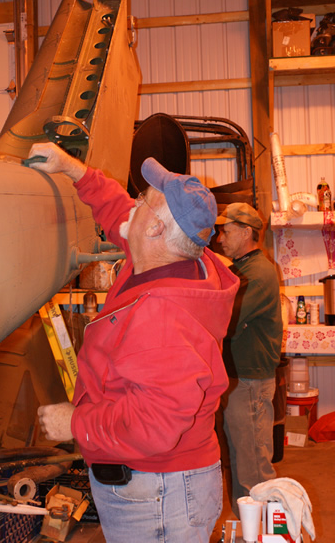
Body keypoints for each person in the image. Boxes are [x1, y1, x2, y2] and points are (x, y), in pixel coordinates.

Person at [28, 142, 239, 543]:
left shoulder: (163, 315)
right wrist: (72, 168)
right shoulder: (173, 259)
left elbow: (153, 424)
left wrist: (73, 423)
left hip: (156, 493)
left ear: (156, 229)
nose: (133, 204)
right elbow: (118, 212)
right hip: (157, 482)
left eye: (143, 200)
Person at [215, 202, 283, 515]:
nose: (219, 239)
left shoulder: (257, 273)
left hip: (250, 382)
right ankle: (247, 528)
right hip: (239, 379)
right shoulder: (241, 269)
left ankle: (265, 531)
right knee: (241, 461)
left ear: (246, 232)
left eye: (226, 232)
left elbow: (225, 320)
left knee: (254, 467)